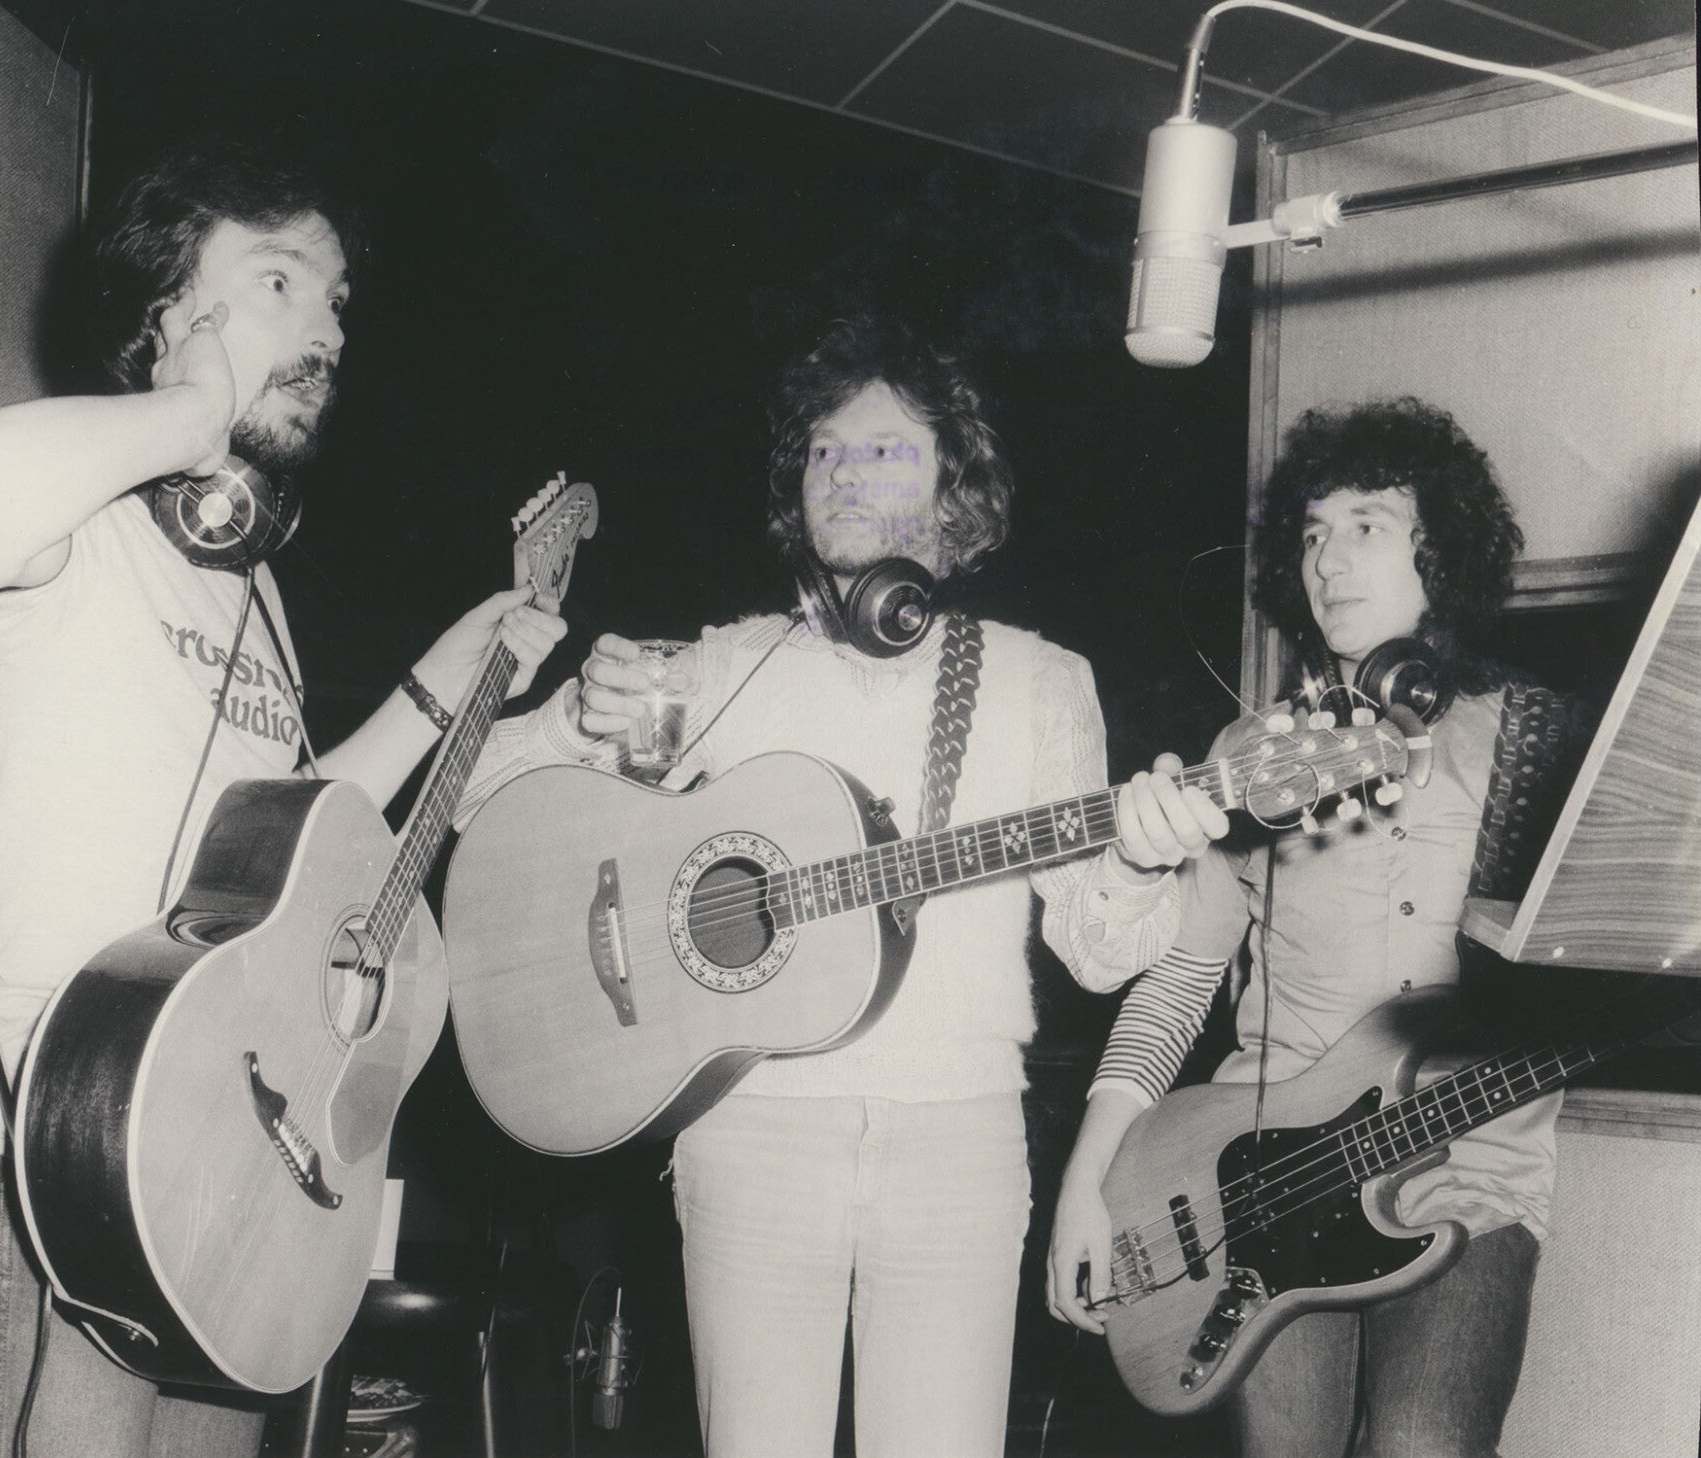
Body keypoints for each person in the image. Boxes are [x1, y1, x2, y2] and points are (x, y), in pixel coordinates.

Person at [0, 133, 566, 1458]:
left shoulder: (250, 586)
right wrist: (191, 413)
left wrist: (445, 678)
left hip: (212, 1142)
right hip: (49, 1143)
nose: (327, 329)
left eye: (337, 301)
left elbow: (278, 836)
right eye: (280, 284)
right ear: (168, 316)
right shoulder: (67, 519)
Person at [458, 316, 1227, 1457]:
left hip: (959, 1143)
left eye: (884, 449)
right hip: (751, 1133)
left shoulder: (1038, 683)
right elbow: (479, 804)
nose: (843, 471)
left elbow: (1101, 952)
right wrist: (570, 720)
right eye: (823, 450)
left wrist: (1137, 855)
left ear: (955, 494)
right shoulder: (726, 663)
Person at [1047, 397, 1550, 1457]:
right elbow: (1182, 977)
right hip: (1263, 1188)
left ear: (1440, 549)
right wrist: (1088, 1184)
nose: (1328, 561)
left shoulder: (1535, 740)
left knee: (1422, 1444)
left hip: (1470, 1180)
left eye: (1366, 523)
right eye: (1312, 536)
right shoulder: (1255, 752)